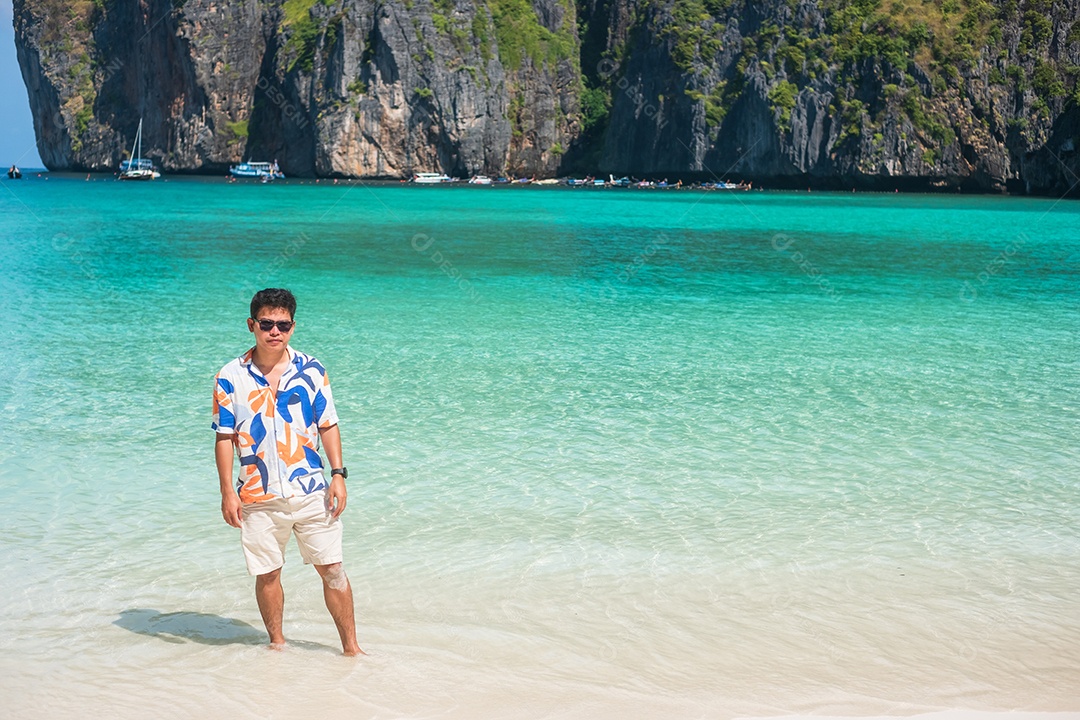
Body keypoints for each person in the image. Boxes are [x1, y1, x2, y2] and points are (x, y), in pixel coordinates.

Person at [212, 288, 364, 655]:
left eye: (282, 325)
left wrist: (339, 474)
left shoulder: (312, 370)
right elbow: (223, 437)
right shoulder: (230, 376)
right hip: (257, 493)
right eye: (266, 324)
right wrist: (227, 492)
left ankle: (351, 649)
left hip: (312, 489)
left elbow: (328, 424)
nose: (274, 332)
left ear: (292, 327)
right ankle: (277, 646)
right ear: (252, 325)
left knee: (333, 570)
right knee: (268, 573)